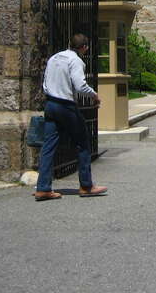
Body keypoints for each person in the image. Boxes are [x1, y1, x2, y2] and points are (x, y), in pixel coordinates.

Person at [35, 33, 107, 201]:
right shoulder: (76, 61)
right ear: (84, 48)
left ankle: (43, 187)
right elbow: (80, 85)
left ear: (69, 44)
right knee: (83, 142)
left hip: (50, 103)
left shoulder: (54, 58)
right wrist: (94, 95)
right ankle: (86, 185)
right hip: (65, 105)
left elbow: (45, 82)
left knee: (48, 145)